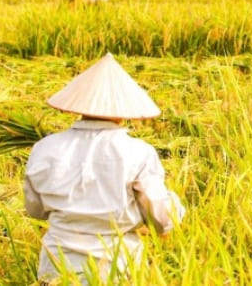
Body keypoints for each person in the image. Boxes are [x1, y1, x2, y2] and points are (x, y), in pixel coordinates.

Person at [24, 53, 185, 283]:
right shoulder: (138, 152)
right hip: (117, 271)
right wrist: (176, 210)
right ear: (123, 109)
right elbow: (162, 217)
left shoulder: (44, 148)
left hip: (57, 271)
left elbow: (35, 210)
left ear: (80, 105)